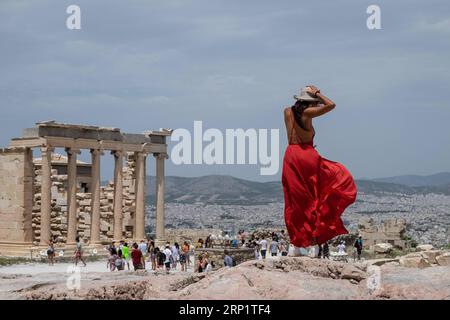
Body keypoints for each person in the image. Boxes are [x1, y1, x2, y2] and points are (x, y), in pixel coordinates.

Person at [282, 86, 357, 250]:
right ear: (312, 102)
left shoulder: (287, 111)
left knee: (294, 200)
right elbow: (331, 105)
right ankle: (314, 242)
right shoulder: (307, 113)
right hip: (307, 156)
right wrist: (317, 93)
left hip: (290, 156)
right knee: (316, 195)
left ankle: (296, 243)